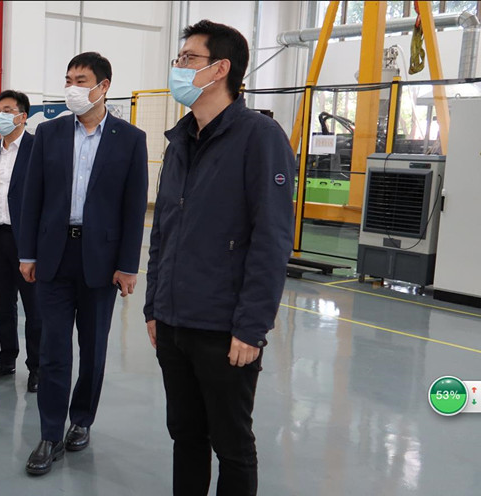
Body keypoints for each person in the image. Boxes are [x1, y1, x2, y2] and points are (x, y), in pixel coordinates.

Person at [144, 21, 295, 496]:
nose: (178, 67)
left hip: (224, 328)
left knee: (232, 445)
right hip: (173, 323)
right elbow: (163, 231)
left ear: (220, 69)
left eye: (188, 58)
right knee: (186, 436)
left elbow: (272, 239)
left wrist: (251, 326)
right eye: (179, 58)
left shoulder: (260, 137)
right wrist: (154, 307)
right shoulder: (180, 140)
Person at [19, 52, 148, 475]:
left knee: (93, 349)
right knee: (54, 349)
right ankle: (49, 433)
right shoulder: (49, 133)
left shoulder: (130, 139)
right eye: (68, 80)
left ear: (103, 86)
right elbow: (32, 197)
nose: (72, 88)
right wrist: (28, 253)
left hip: (101, 261)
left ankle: (82, 420)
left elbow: (133, 208)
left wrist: (128, 265)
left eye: (81, 80)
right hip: (54, 256)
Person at [0, 90, 42, 392]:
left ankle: (37, 366)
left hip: (27, 240)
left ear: (22, 116)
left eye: (7, 110)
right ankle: (6, 359)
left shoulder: (37, 147)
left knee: (34, 308)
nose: (0, 116)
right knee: (3, 304)